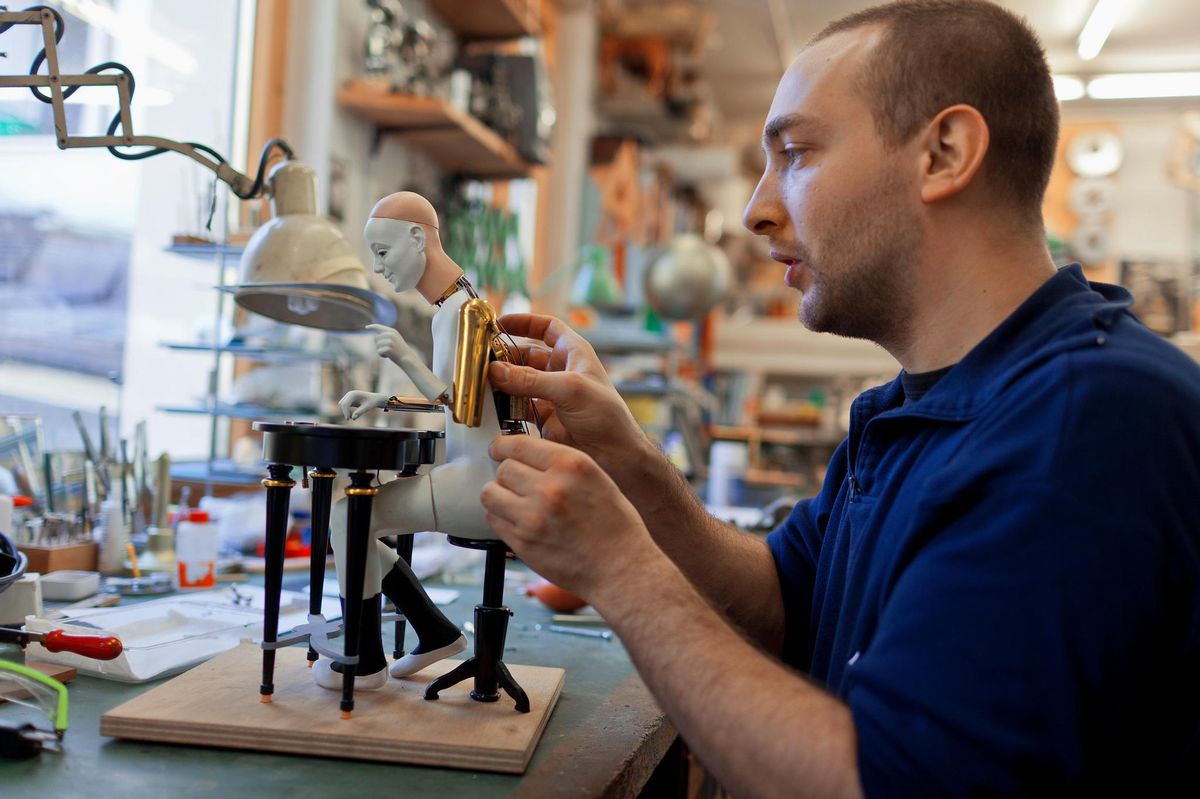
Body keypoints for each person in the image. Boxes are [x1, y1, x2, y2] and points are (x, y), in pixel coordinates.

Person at [478, 1, 1200, 795]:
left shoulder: (1086, 424)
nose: (757, 209)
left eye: (795, 152)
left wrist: (621, 569)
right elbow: (788, 601)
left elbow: (882, 782)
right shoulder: (914, 409)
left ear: (944, 153)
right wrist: (630, 463)